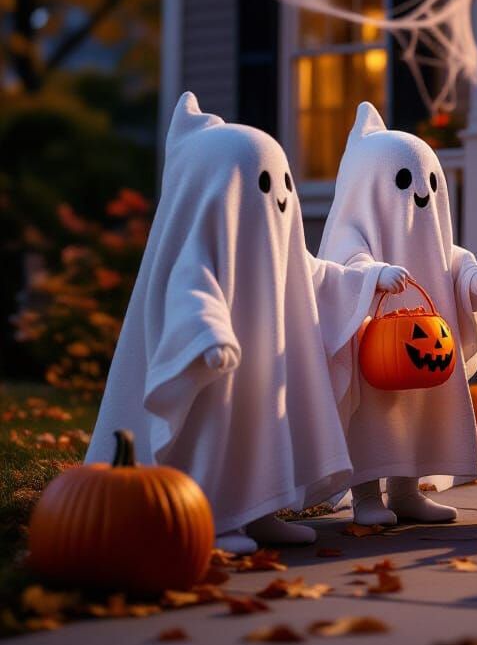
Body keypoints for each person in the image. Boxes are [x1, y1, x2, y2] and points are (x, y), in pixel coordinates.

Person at [86, 93, 408, 555]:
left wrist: (370, 276)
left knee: (260, 433)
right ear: (220, 193)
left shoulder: (279, 244)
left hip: (266, 368)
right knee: (218, 433)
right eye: (263, 183)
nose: (278, 197)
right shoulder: (199, 244)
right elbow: (192, 291)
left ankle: (260, 510)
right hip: (220, 365)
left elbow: (317, 275)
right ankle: (214, 515)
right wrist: (206, 334)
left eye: (283, 184)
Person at [319, 102, 477, 526]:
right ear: (371, 185)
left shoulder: (430, 236)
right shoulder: (352, 228)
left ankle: (406, 490)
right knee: (371, 418)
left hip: (422, 336)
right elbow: (344, 267)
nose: (422, 191)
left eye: (431, 181)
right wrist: (374, 274)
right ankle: (366, 495)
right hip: (372, 345)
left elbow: (453, 261)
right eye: (406, 180)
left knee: (417, 413)